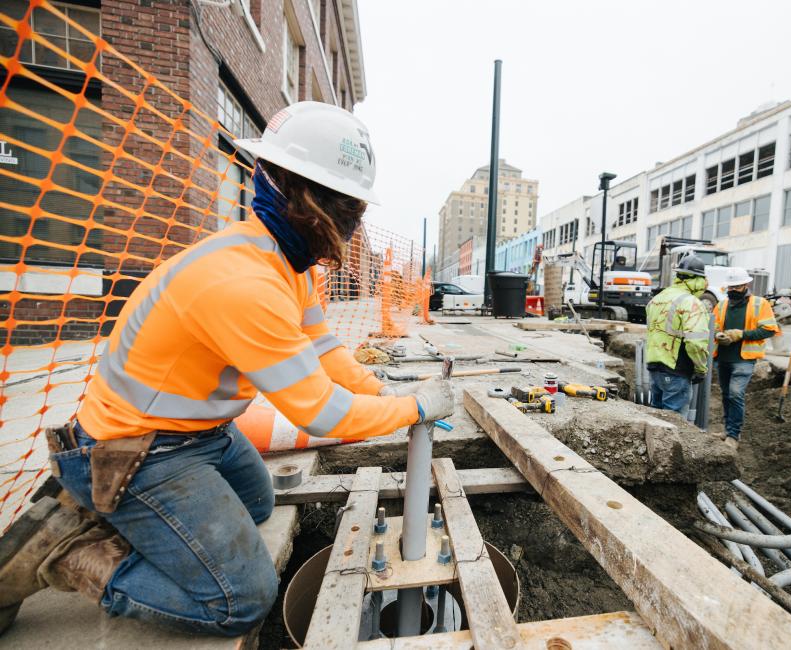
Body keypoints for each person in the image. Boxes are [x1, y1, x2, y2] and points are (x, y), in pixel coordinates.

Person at [0, 102, 454, 637]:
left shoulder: (287, 263)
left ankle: (120, 515)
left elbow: (325, 347)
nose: (348, 223)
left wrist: (381, 387)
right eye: (341, 205)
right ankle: (72, 552)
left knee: (258, 503)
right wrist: (413, 408)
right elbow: (323, 412)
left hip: (201, 435)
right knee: (240, 599)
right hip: (135, 449)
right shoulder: (244, 284)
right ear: (295, 193)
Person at [712, 268, 780, 451]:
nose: (733, 290)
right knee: (726, 395)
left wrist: (741, 334)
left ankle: (734, 435)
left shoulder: (760, 304)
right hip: (723, 357)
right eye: (730, 287)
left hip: (744, 359)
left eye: (737, 286)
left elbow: (769, 329)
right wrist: (719, 335)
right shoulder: (722, 305)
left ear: (746, 285)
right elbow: (714, 326)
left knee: (735, 393)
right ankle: (728, 431)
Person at [644, 255, 711, 417]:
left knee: (656, 420)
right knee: (673, 426)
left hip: (655, 367)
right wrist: (701, 368)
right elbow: (696, 343)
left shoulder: (657, 299)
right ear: (697, 280)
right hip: (677, 370)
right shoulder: (691, 303)